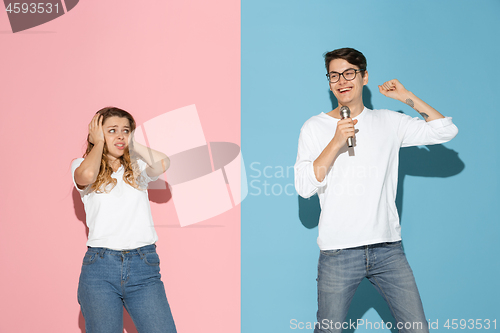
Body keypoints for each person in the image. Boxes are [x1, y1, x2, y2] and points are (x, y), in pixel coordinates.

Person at [294, 48, 458, 333]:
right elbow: (304, 186)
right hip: (338, 252)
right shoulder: (314, 127)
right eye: (334, 75)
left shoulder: (388, 122)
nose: (342, 81)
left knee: (417, 329)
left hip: (387, 250)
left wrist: (405, 97)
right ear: (329, 82)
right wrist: (335, 142)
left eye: (349, 73)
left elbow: (445, 131)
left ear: (364, 76)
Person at [71, 107, 176, 333]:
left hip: (143, 265)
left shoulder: (137, 168)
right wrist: (98, 143)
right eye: (112, 130)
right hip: (100, 268)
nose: (120, 135)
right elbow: (87, 176)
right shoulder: (80, 166)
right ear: (96, 133)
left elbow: (163, 163)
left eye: (125, 130)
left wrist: (132, 143)